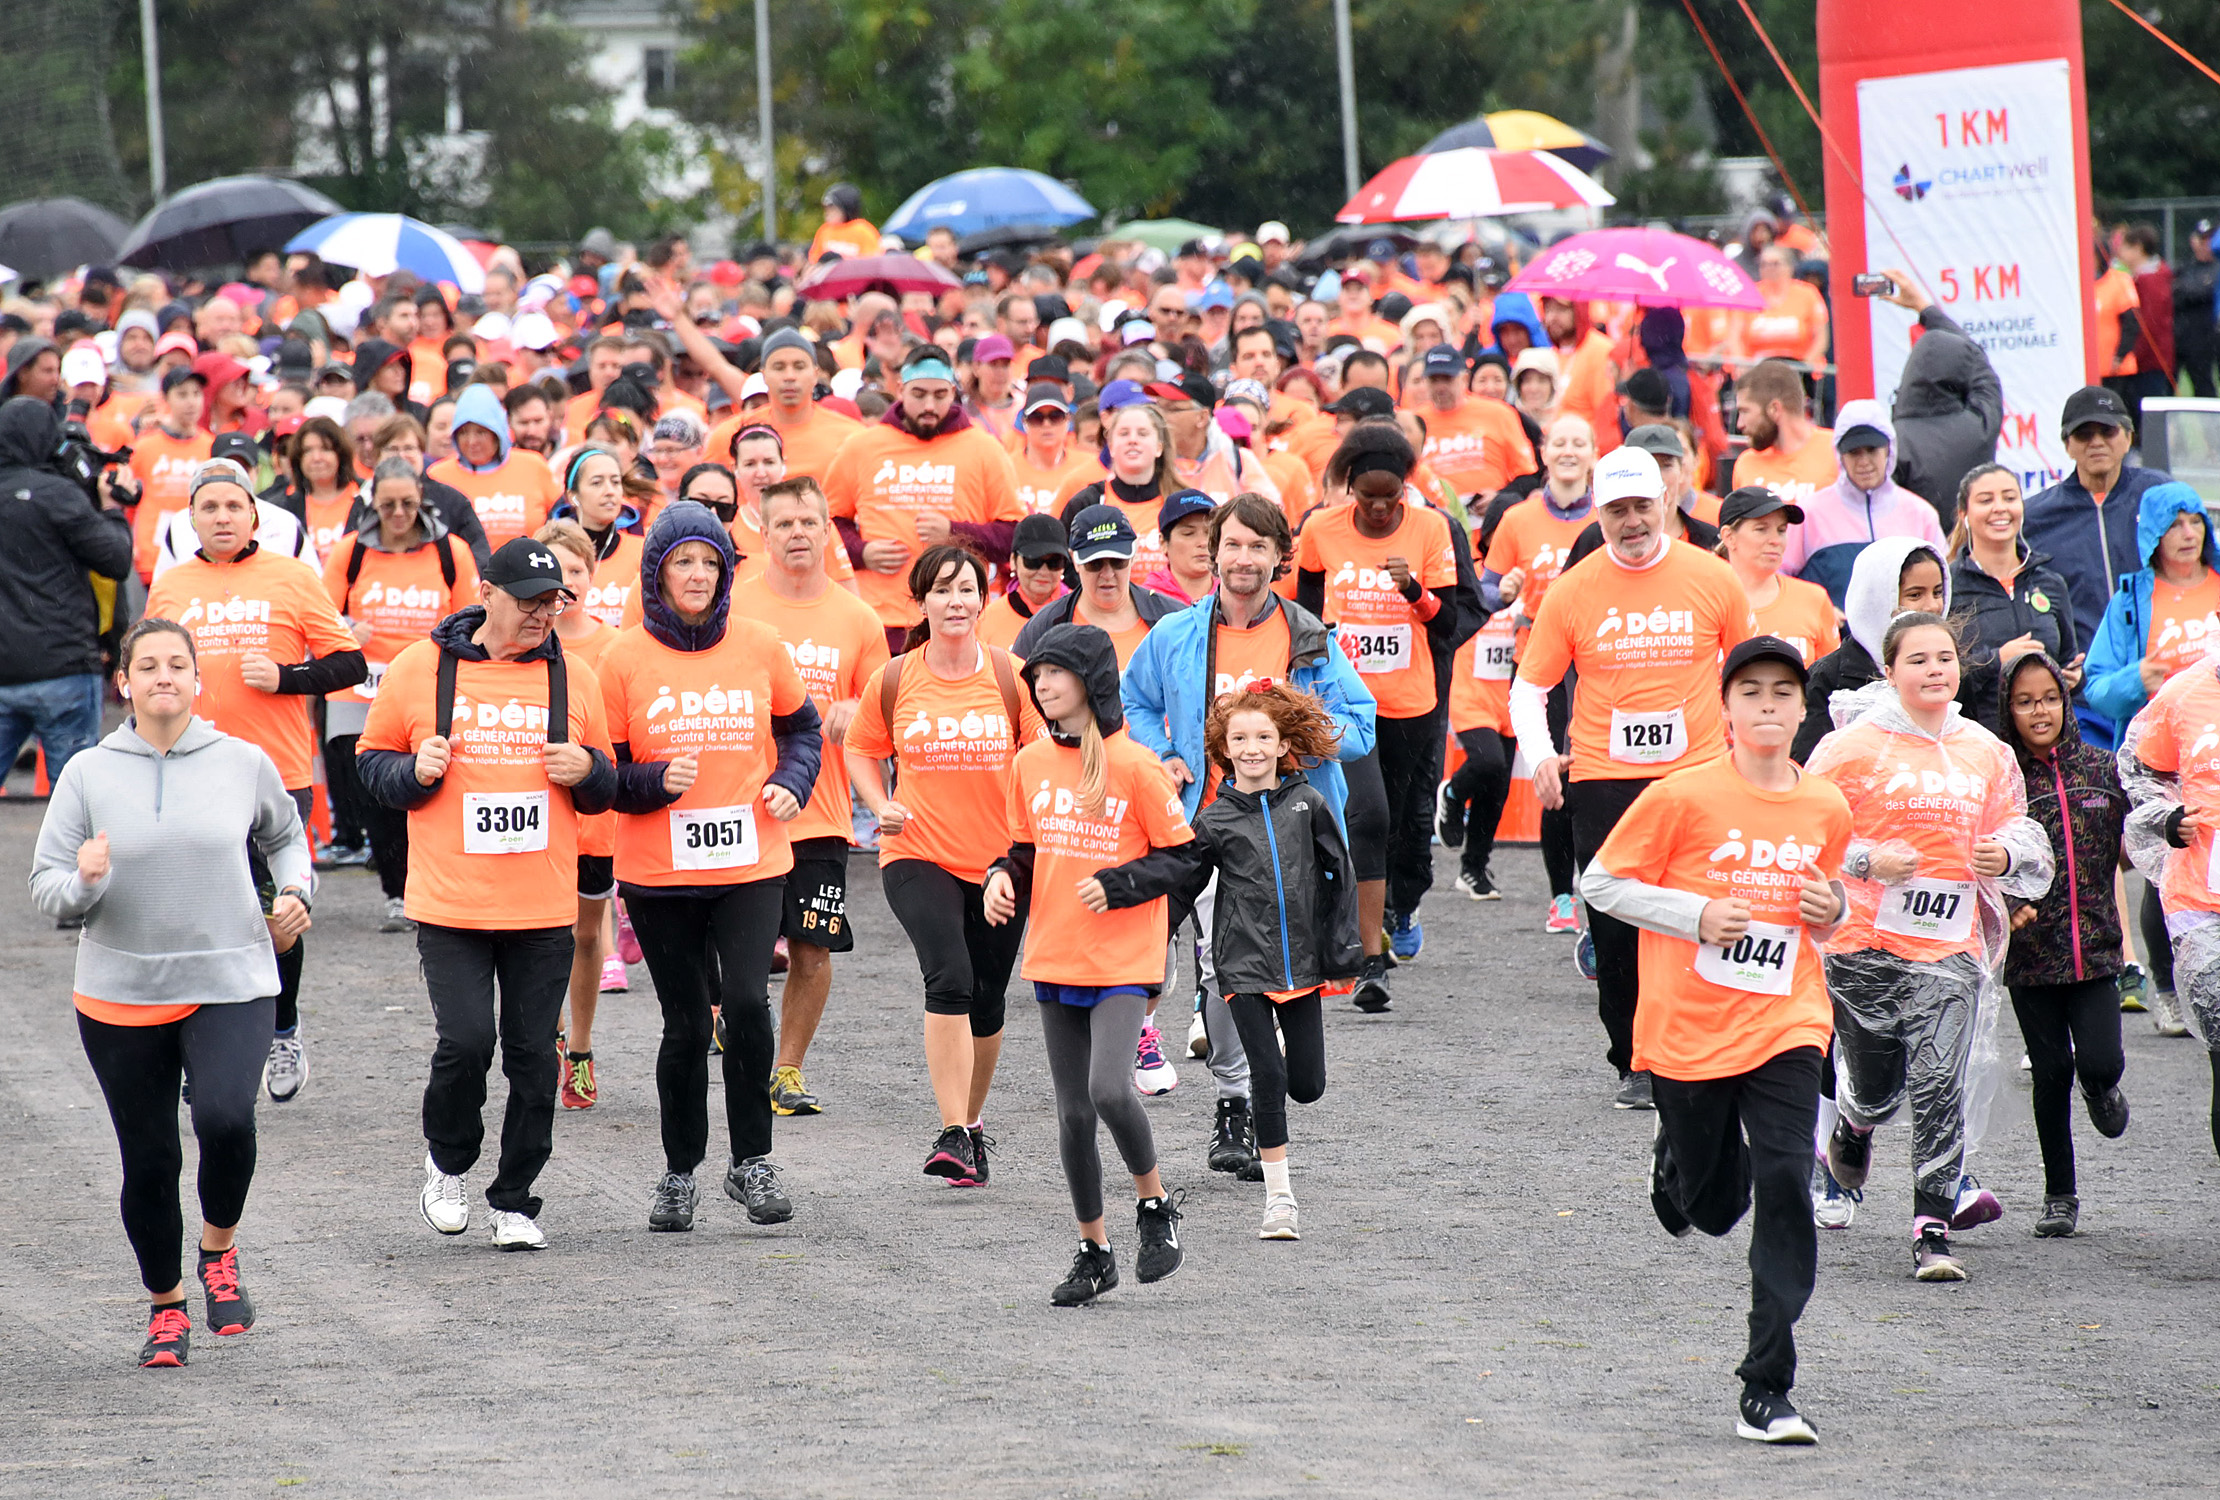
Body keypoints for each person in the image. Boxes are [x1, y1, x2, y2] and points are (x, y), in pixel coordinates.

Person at [1580, 636, 1852, 1444]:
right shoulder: (1682, 797)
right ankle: (1677, 1156)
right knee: (1713, 1206)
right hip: (1688, 1029)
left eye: (1782, 693)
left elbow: (1831, 903)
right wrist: (1693, 915)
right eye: (1751, 693)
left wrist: (1831, 909)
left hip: (1788, 1021)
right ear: (1725, 708)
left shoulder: (1826, 805)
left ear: (1803, 709)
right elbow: (1602, 883)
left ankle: (1768, 1385)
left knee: (1785, 1175)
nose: (1768, 705)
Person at [31, 618, 313, 1368]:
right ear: (123, 681)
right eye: (147, 665)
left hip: (232, 976)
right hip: (120, 991)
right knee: (149, 1161)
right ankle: (165, 1308)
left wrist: (295, 892)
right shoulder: (88, 773)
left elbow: (287, 836)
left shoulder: (242, 760)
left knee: (224, 1117)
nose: (163, 676)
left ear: (197, 680)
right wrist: (85, 882)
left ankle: (218, 1250)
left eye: (177, 665)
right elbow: (46, 889)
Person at [356, 538, 620, 1250]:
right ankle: (447, 1163)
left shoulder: (577, 677)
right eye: (530, 601)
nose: (543, 614)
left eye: (553, 602)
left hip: (541, 904)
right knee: (466, 1042)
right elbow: (370, 764)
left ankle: (515, 1201)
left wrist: (588, 768)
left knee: (534, 1057)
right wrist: (413, 773)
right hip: (451, 902)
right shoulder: (420, 669)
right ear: (486, 594)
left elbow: (610, 787)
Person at [1123, 492, 1376, 1160]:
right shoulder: (1176, 635)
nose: (1243, 559)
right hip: (1210, 829)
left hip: (1292, 837)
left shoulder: (1311, 637)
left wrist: (1305, 732)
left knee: (1288, 972)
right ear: (1213, 552)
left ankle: (1271, 1085)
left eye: (1258, 547)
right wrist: (1166, 754)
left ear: (1279, 558)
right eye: (1232, 544)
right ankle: (1234, 1105)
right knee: (1221, 969)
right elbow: (1134, 700)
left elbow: (1363, 727)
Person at [1807, 612, 2052, 1282]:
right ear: (1890, 670)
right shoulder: (1852, 749)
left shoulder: (1984, 751)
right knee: (1878, 1086)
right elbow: (1806, 831)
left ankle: (1931, 1229)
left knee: (1941, 1082)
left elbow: (2024, 834)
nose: (1935, 670)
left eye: (1945, 658)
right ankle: (1854, 1126)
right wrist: (1864, 861)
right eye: (1918, 660)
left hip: (1950, 947)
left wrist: (2003, 853)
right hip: (1863, 944)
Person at [597, 502, 822, 1231]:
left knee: (750, 1007)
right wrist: (646, 782)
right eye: (682, 562)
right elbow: (602, 773)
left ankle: (752, 1160)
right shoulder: (623, 657)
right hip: (657, 872)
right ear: (656, 573)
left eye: (709, 562)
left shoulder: (760, 643)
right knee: (687, 1024)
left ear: (726, 572)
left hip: (751, 860)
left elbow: (802, 730)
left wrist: (792, 780)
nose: (696, 575)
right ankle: (678, 1173)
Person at [1511, 445, 1755, 1108]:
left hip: (1699, 774)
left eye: (1642, 506)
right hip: (1605, 780)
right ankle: (1635, 1058)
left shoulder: (1713, 578)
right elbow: (1528, 688)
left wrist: (1755, 749)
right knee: (1617, 924)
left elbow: (1752, 669)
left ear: (1666, 504)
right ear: (1599, 512)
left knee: (1704, 911)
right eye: (1616, 510)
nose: (1631, 521)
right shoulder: (1573, 590)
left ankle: (1708, 1044)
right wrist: (1539, 757)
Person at [1097, 682, 1361, 1240]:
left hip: (1302, 968)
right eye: (1240, 737)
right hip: (1240, 967)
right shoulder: (1214, 820)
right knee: (1266, 1076)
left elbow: (1341, 875)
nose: (1252, 748)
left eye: (1264, 736)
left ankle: (1282, 1081)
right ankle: (1280, 1200)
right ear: (1223, 746)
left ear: (1284, 742)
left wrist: (1341, 947)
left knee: (1306, 1085)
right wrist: (1147, 935)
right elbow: (1179, 882)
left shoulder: (1307, 804)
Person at [981, 625, 1192, 1304]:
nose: (1041, 684)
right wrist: (998, 876)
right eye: (1036, 674)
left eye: (1056, 672)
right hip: (1055, 953)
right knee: (1073, 1116)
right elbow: (1022, 846)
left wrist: (1121, 884)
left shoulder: (1136, 764)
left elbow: (1184, 859)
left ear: (1092, 682)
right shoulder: (1028, 764)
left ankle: (1155, 1206)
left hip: (1125, 956)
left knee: (1109, 1090)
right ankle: (1093, 1250)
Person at [144, 462, 366, 1102]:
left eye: (233, 506)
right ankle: (198, 1044)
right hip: (187, 770)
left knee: (278, 914)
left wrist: (288, 676)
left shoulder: (293, 576)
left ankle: (282, 1027)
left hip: (276, 774)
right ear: (190, 519)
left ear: (254, 516)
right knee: (193, 913)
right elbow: (148, 675)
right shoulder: (173, 585)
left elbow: (348, 661)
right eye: (208, 507)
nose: (220, 517)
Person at [845, 545, 1045, 1186]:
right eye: (942, 590)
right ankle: (953, 1129)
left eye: (967, 590)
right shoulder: (896, 677)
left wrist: (1021, 854)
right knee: (950, 979)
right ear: (922, 601)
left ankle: (971, 1128)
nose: (956, 602)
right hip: (917, 853)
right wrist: (881, 805)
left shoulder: (1013, 676)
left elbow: (1043, 763)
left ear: (984, 599)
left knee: (987, 1001)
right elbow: (859, 749)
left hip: (1001, 862)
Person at [732, 477, 891, 1115]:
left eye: (809, 522)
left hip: (821, 812)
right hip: (739, 809)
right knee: (735, 952)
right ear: (763, 535)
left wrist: (859, 706)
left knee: (812, 945)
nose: (798, 533)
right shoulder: (736, 607)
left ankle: (786, 1073)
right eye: (784, 524)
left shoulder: (858, 618)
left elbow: (884, 715)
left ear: (829, 531)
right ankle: (731, 1026)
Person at [1295, 423, 1468, 1005]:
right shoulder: (1320, 529)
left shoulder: (1432, 527)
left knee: (1402, 824)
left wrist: (1415, 591)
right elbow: (1302, 612)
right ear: (1347, 489)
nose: (1375, 507)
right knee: (1367, 814)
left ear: (1404, 492)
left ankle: (1393, 913)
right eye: (1364, 496)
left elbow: (1450, 624)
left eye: (1388, 497)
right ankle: (1369, 959)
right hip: (1343, 702)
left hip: (1410, 702)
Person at [1999, 651, 2131, 1239]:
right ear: (2008, 710)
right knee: (2050, 1073)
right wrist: (2006, 906)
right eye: (2024, 702)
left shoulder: (2103, 768)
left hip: (2098, 950)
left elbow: (2139, 841)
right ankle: (2060, 1194)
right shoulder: (2000, 782)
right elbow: (1978, 860)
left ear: (2065, 699)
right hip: (2033, 959)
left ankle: (2101, 1087)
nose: (2039, 711)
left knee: (2100, 1062)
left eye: (2049, 697)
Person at [321, 458, 480, 935]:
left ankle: (427, 887)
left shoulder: (450, 551)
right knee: (372, 794)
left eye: (407, 503)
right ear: (372, 504)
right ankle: (396, 892)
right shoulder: (350, 552)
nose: (398, 513)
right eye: (387, 504)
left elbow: (470, 617)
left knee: (428, 787)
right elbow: (321, 615)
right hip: (358, 690)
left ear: (422, 500)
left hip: (426, 685)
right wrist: (347, 628)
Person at [824, 348, 1023, 654]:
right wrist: (861, 551)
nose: (929, 405)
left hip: (960, 620)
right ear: (900, 390)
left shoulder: (984, 448)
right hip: (880, 620)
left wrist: (954, 533)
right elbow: (828, 524)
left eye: (940, 394)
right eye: (918, 394)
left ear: (953, 393)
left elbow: (1014, 535)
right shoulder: (862, 446)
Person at [2021, 385, 2173, 743]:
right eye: (2083, 434)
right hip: (2084, 699)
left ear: (2128, 436)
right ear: (2067, 444)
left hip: (2161, 683)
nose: (2096, 442)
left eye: (2108, 431)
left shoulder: (2159, 497)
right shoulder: (2035, 518)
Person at [535, 520, 626, 1107]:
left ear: (592, 577)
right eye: (553, 572)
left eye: (575, 571)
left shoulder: (615, 645)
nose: (565, 584)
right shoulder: (522, 644)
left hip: (596, 819)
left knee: (586, 934)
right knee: (542, 935)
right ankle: (549, 1036)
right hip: (539, 820)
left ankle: (583, 1046)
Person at [0, 397, 134, 784]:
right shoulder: (58, 494)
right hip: (63, 666)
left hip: (5, 666)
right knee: (76, 804)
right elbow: (114, 559)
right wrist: (111, 509)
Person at [1945, 463, 2080, 736]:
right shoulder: (1948, 587)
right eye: (1986, 500)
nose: (2000, 508)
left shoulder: (2050, 583)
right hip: (1978, 742)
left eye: (2009, 498)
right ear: (1964, 515)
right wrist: (1997, 661)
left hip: (2047, 745)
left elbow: (2067, 657)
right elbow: (1939, 675)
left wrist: (2074, 676)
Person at [1792, 537, 1950, 765]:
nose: (1933, 606)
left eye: (1937, 592)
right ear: (1876, 598)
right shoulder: (1829, 677)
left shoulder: (1948, 668)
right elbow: (1812, 764)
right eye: (1915, 595)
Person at [1780, 401, 1946, 608]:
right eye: (1854, 452)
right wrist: (1817, 610)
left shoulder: (1921, 514)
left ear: (1889, 450)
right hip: (1831, 638)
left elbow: (1945, 585)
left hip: (1904, 638)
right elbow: (1777, 578)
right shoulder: (1808, 513)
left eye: (1872, 450)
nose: (1864, 461)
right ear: (1840, 456)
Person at [1867, 271, 2003, 520]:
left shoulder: (1893, 440)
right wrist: (1925, 307)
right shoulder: (1980, 424)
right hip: (1972, 549)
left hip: (1919, 553)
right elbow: (1976, 357)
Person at [1012, 505, 1183, 669]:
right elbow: (1018, 692)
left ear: (1133, 556)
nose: (1107, 574)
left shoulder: (1172, 618)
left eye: (1118, 562)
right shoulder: (1043, 627)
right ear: (1075, 561)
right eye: (1095, 564)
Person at [1058, 401, 1180, 580]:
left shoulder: (1180, 503)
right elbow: (1063, 564)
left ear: (1159, 447)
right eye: (1124, 434)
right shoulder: (1087, 502)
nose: (1133, 440)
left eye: (1143, 433)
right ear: (1111, 446)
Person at [1716, 488, 1837, 666]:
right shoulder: (1703, 599)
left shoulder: (1813, 598)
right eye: (1761, 529)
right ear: (1729, 537)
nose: (1776, 540)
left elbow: (1832, 683)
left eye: (1781, 530)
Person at [551, 448, 645, 629]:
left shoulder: (643, 551)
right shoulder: (552, 555)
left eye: (615, 482)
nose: (610, 491)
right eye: (597, 483)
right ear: (572, 496)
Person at [1730, 361, 1835, 510]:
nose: (1739, 424)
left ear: (1774, 409)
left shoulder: (1835, 450)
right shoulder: (1745, 464)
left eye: (1745, 411)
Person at [979, 513, 1068, 651]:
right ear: (1013, 561)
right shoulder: (986, 620)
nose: (1043, 571)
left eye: (1054, 562)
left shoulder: (1080, 609)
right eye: (1033, 561)